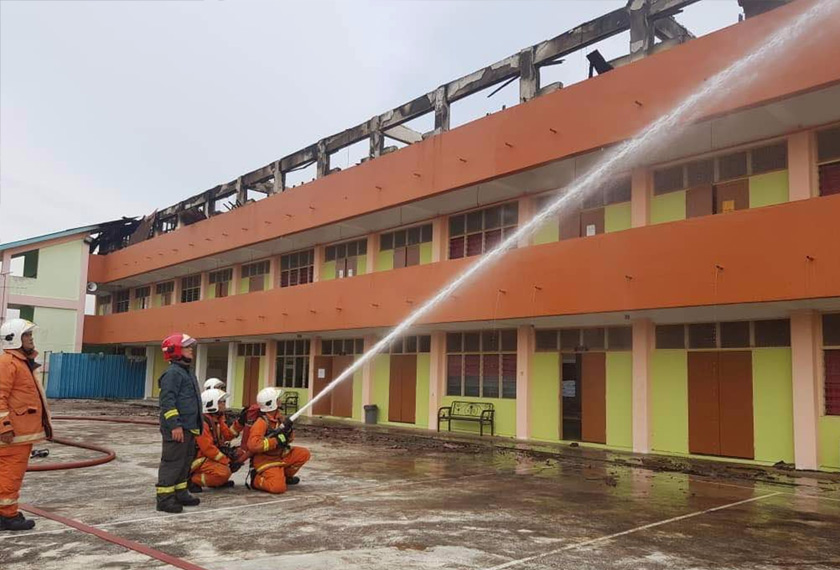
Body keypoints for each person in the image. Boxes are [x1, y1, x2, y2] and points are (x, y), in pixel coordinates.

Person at [0, 318, 52, 531]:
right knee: (10, 474)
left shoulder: (20, 362)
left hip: (19, 432)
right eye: (27, 335)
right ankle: (7, 516)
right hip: (13, 434)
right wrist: (4, 427)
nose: (31, 339)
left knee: (8, 473)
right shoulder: (8, 363)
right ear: (14, 339)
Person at [156, 333, 203, 513]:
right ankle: (165, 499)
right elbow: (167, 402)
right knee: (172, 462)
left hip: (189, 427)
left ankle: (180, 492)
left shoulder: (186, 371)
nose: (191, 349)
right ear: (175, 351)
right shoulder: (172, 374)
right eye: (186, 347)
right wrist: (175, 425)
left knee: (185, 462)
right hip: (177, 428)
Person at [246, 387, 310, 494]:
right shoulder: (261, 423)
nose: (280, 400)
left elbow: (289, 439)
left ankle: (285, 476)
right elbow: (253, 445)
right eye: (278, 399)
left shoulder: (279, 419)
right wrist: (275, 441)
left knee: (303, 454)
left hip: (279, 455)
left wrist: (288, 432)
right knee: (278, 488)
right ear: (272, 403)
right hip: (266, 460)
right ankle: (256, 480)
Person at [189, 388, 247, 492]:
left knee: (240, 454)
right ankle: (193, 480)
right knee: (223, 472)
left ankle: (218, 480)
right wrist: (226, 460)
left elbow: (228, 435)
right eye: (221, 401)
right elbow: (208, 449)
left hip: (209, 456)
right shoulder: (202, 423)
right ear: (211, 404)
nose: (224, 404)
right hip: (199, 459)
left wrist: (241, 422)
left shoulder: (218, 419)